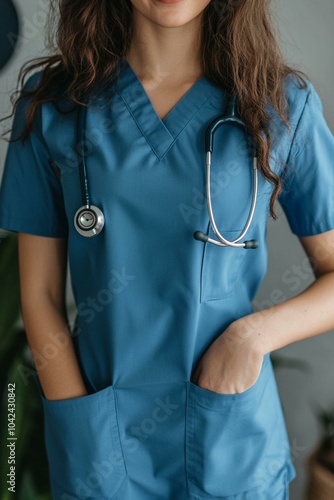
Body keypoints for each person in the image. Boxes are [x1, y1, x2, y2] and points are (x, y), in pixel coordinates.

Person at [0, 1, 334, 498]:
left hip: (229, 438)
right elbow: (40, 298)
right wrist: (82, 428)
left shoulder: (280, 103)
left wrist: (251, 338)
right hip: (100, 443)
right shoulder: (53, 106)